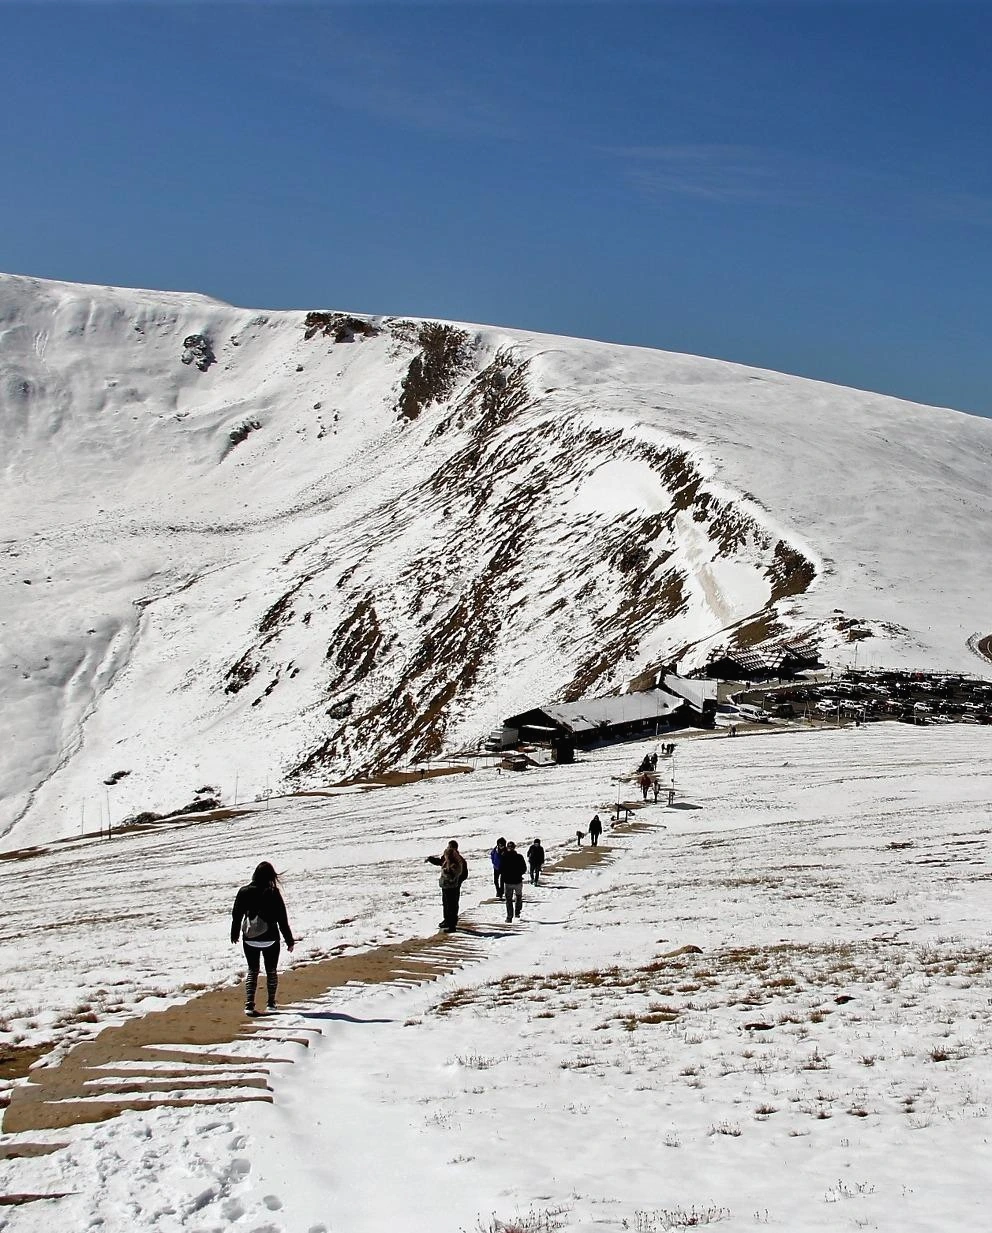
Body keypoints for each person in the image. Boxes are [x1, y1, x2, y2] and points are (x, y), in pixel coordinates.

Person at [230, 861, 295, 1017]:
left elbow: (236, 915)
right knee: (271, 971)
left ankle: (249, 1005)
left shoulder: (244, 891)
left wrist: (234, 933)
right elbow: (282, 919)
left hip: (250, 938)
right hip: (271, 939)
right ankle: (271, 1004)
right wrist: (289, 940)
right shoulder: (273, 892)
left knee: (253, 970)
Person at [426, 839, 468, 933]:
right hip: (445, 886)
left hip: (453, 886)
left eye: (449, 847)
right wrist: (431, 859)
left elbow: (463, 874)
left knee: (452, 905)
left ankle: (452, 924)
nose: (448, 848)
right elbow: (440, 862)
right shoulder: (447, 857)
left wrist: (456, 881)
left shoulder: (458, 860)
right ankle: (447, 920)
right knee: (446, 904)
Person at [500, 841, 527, 922]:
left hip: (508, 881)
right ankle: (517, 912)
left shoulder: (504, 857)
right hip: (517, 880)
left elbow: (501, 869)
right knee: (518, 897)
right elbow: (524, 868)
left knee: (509, 900)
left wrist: (505, 876)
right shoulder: (519, 857)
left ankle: (509, 917)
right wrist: (519, 874)